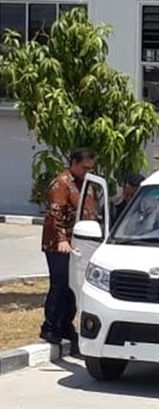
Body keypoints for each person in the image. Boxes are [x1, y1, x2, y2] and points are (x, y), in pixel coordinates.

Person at [40, 148, 97, 346]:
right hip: (59, 244)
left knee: (74, 288)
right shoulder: (62, 183)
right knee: (60, 285)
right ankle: (50, 327)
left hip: (80, 245)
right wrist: (62, 239)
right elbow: (55, 214)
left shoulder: (87, 185)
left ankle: (65, 325)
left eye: (90, 168)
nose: (87, 171)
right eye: (84, 167)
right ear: (72, 162)